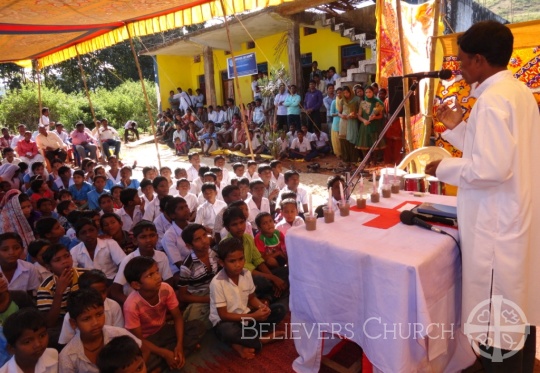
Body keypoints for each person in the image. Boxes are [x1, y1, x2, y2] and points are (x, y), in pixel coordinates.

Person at [426, 21, 540, 371]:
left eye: (461, 60)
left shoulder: (492, 102)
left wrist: (439, 169)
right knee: (517, 314)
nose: (457, 67)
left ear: (479, 59)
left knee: (496, 325)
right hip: (513, 219)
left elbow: (490, 169)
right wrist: (457, 127)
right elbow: (492, 152)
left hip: (497, 228)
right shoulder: (516, 93)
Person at [123, 256, 205, 371]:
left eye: (157, 271)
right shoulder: (131, 305)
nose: (158, 277)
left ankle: (170, 358)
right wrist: (164, 353)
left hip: (165, 330)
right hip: (148, 340)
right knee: (141, 362)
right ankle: (174, 355)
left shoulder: (166, 289)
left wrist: (180, 345)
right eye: (150, 275)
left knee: (198, 326)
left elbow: (177, 317)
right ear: (136, 285)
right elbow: (139, 339)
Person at [209, 237, 286, 359]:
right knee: (227, 331)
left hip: (245, 317)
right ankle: (260, 340)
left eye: (241, 259)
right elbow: (223, 315)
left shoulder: (246, 273)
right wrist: (254, 316)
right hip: (227, 322)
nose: (238, 264)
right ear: (222, 263)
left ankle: (243, 340)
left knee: (279, 310)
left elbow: (251, 298)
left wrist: (262, 308)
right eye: (232, 261)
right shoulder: (217, 283)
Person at [59, 289, 141, 372]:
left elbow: (142, 351)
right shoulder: (68, 356)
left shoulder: (118, 334)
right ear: (73, 323)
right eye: (86, 319)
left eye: (99, 314)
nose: (95, 323)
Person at [109, 221, 175, 305]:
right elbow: (115, 291)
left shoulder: (161, 256)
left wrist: (162, 299)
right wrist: (133, 304)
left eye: (152, 235)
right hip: (135, 301)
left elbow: (168, 281)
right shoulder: (129, 260)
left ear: (157, 237)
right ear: (135, 240)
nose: (148, 240)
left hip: (156, 297)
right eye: (143, 237)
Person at [57, 269, 124, 345]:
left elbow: (119, 335)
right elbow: (66, 342)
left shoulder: (114, 306)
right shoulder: (71, 314)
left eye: (103, 292)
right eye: (86, 318)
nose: (100, 296)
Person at [178, 223, 218, 330]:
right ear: (189, 246)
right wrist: (208, 299)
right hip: (200, 296)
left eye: (205, 235)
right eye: (198, 239)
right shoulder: (187, 266)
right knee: (194, 322)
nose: (204, 241)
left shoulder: (214, 254)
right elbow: (182, 296)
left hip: (216, 289)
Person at [2, 309, 58, 373]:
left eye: (42, 336)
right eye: (27, 342)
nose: (38, 344)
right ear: (11, 349)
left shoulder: (53, 356)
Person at [357, 85, 385, 163]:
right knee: (364, 145)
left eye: (370, 92)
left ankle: (374, 162)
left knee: (375, 145)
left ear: (373, 92)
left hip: (374, 125)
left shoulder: (377, 103)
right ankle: (366, 162)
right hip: (365, 126)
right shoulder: (362, 103)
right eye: (366, 92)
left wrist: (374, 118)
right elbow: (359, 115)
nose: (368, 94)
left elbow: (380, 116)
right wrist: (363, 120)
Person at [337, 85, 360, 166]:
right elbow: (339, 112)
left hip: (353, 121)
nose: (346, 94)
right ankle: (346, 159)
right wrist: (342, 116)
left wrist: (355, 115)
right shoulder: (341, 100)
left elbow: (360, 112)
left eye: (347, 92)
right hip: (343, 121)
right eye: (344, 93)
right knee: (343, 140)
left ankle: (354, 159)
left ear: (350, 92)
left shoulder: (357, 99)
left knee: (352, 139)